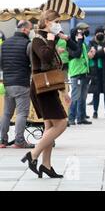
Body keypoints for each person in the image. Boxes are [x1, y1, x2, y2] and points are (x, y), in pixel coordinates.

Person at [21, 10, 67, 178]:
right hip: (42, 89)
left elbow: (54, 66)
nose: (58, 25)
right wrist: (52, 40)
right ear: (47, 22)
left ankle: (46, 165)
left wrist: (63, 91)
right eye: (56, 21)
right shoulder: (37, 40)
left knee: (49, 126)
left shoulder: (46, 39)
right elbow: (46, 58)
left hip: (48, 88)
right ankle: (33, 155)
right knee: (61, 123)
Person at [0, 20, 34, 149]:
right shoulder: (27, 44)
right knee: (21, 113)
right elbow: (33, 63)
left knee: (6, 113)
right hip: (22, 83)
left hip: (8, 83)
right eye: (30, 29)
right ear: (24, 30)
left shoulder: (4, 43)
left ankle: (2, 140)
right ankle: (19, 141)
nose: (30, 32)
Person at [68, 23, 95, 126]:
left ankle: (81, 117)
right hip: (76, 74)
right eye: (81, 33)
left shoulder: (82, 44)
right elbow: (77, 54)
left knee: (83, 97)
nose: (83, 35)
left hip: (84, 73)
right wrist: (79, 40)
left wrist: (90, 55)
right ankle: (71, 118)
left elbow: (84, 56)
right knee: (75, 97)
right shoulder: (70, 44)